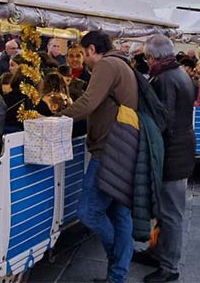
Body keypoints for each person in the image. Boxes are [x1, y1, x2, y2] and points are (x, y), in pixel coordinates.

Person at [58, 32, 138, 283]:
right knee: (119, 213)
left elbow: (89, 102)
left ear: (91, 49)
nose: (84, 61)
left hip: (109, 148)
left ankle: (117, 255)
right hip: (125, 144)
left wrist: (59, 117)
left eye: (83, 54)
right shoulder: (122, 64)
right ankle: (117, 276)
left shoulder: (106, 64)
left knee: (88, 211)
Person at [134, 34, 195, 283]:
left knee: (170, 213)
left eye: (146, 57)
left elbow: (163, 120)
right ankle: (157, 252)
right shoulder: (179, 73)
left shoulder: (166, 78)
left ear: (152, 57)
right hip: (180, 148)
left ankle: (170, 267)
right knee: (165, 209)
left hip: (173, 152)